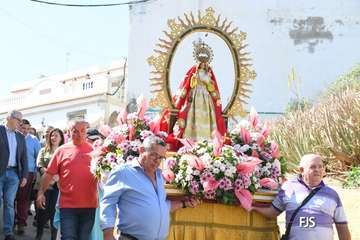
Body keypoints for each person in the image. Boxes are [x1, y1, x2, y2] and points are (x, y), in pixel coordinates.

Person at [100, 135, 200, 240]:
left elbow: (159, 207)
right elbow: (108, 203)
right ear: (142, 150)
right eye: (154, 155)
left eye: (161, 157)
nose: (157, 160)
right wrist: (108, 235)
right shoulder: (123, 172)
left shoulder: (159, 176)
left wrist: (184, 203)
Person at [251, 154, 351, 240]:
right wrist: (253, 207)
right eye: (313, 167)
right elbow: (272, 212)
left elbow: (342, 226)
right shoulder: (288, 188)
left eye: (320, 167)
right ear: (302, 170)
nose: (318, 170)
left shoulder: (332, 194)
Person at [37, 120, 98, 240]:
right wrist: (41, 193)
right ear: (69, 132)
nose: (79, 134)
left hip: (89, 206)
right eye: (75, 131)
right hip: (68, 206)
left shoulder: (95, 151)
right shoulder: (61, 151)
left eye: (83, 131)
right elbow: (49, 174)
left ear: (86, 132)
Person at [160, 39, 226, 149]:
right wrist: (194, 78)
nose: (203, 66)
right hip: (194, 96)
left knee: (207, 117)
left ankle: (206, 141)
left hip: (206, 98)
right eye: (202, 64)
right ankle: (190, 140)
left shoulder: (208, 73)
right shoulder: (194, 71)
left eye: (205, 64)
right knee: (192, 117)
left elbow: (211, 87)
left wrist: (208, 82)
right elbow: (190, 84)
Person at [0, 110, 28, 240]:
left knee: (9, 203)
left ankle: (8, 233)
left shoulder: (20, 137)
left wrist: (24, 176)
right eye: (18, 120)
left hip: (14, 174)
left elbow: (24, 158)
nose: (20, 123)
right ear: (9, 118)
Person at [35, 128, 64, 240]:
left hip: (58, 187)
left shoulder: (63, 151)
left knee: (54, 213)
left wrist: (57, 178)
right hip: (44, 185)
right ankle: (39, 235)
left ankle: (53, 237)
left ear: (61, 138)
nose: (53, 138)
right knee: (42, 213)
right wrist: (50, 176)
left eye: (56, 135)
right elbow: (40, 165)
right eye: (52, 135)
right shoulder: (43, 150)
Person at [15, 119, 41, 234]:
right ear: (18, 127)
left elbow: (38, 158)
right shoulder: (13, 137)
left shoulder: (34, 140)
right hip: (14, 171)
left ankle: (21, 223)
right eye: (22, 128)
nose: (25, 131)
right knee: (10, 200)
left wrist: (36, 173)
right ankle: (12, 221)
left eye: (27, 129)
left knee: (23, 199)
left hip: (29, 173)